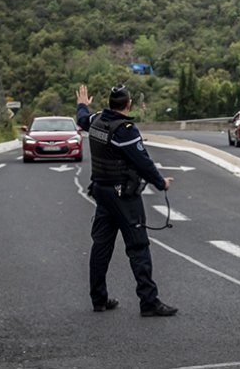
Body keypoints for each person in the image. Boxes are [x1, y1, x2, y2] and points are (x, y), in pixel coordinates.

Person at [76, 84, 178, 316]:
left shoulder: (97, 120)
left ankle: (99, 299)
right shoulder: (126, 130)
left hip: (101, 192)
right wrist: (161, 183)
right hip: (123, 196)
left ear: (111, 103)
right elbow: (143, 162)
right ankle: (149, 302)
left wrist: (82, 104)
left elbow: (82, 118)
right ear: (128, 104)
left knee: (101, 246)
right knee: (138, 246)